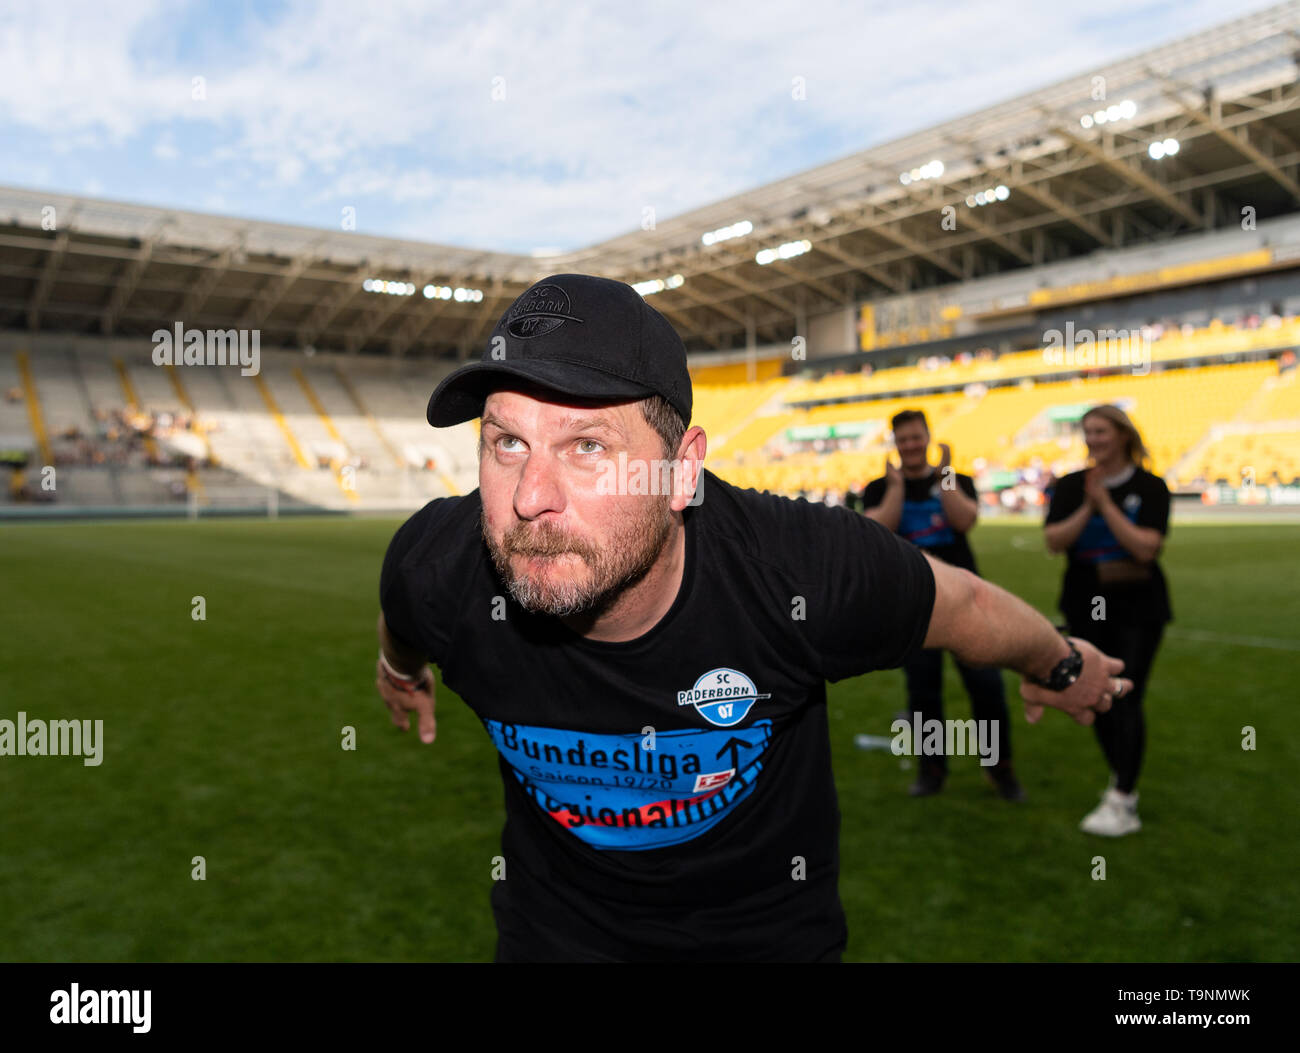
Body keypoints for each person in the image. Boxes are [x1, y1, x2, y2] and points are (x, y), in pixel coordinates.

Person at [375, 273, 1132, 962]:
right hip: (555, 940)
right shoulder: (438, 566)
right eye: (507, 441)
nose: (530, 495)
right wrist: (401, 671)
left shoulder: (797, 568)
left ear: (682, 470)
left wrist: (1060, 663)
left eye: (587, 446)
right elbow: (403, 620)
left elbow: (964, 604)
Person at [860, 411, 1023, 801]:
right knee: (923, 693)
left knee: (986, 687)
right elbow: (875, 532)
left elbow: (965, 521)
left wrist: (944, 476)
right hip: (914, 603)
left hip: (967, 600)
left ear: (929, 438)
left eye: (917, 438)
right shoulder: (879, 486)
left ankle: (999, 767)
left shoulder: (954, 478)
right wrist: (897, 488)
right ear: (895, 444)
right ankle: (932, 770)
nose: (911, 446)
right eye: (904, 440)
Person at [1043, 405, 1171, 837]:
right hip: (1084, 604)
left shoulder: (1150, 486)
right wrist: (1087, 505)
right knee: (1093, 695)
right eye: (1088, 432)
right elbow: (1054, 541)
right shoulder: (1070, 485)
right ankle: (1122, 779)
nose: (1094, 439)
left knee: (1124, 695)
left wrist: (1106, 505)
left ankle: (1122, 797)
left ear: (1122, 435)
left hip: (1137, 607)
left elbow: (1146, 549)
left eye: (1101, 431)